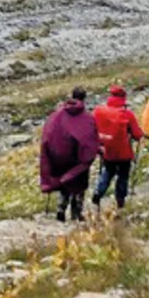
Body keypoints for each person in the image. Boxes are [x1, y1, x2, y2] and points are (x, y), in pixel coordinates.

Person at [39, 87, 101, 222]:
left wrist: (50, 153)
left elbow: (49, 132)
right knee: (79, 183)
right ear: (84, 98)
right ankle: (77, 211)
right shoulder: (87, 118)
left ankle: (61, 208)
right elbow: (89, 138)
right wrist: (96, 150)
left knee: (64, 182)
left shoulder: (57, 115)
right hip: (78, 158)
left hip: (60, 157)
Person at [91, 84, 143, 213]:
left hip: (106, 149)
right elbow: (137, 134)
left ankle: (98, 193)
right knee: (123, 177)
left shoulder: (98, 111)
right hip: (123, 152)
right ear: (123, 98)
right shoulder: (127, 114)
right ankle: (120, 202)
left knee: (107, 172)